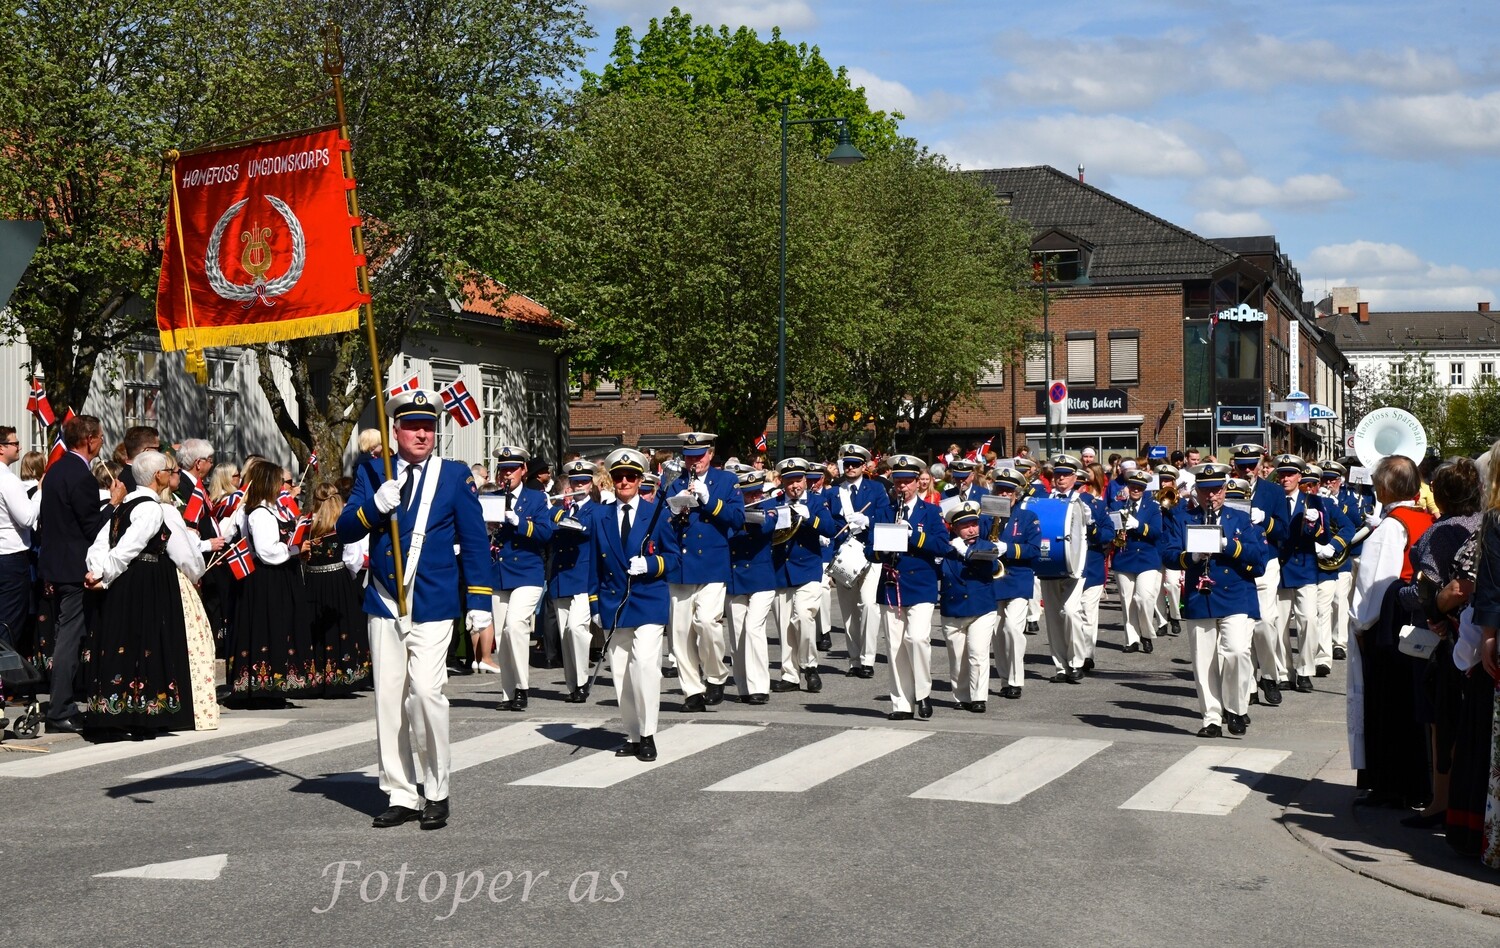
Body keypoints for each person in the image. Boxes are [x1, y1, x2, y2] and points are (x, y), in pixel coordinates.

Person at [337, 388, 493, 830]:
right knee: (388, 701)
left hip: (433, 600)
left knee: (426, 693)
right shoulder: (372, 470)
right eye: (413, 426)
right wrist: (373, 507)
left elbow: (476, 543)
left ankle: (437, 789)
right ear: (396, 430)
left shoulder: (454, 475)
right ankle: (401, 792)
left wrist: (479, 603)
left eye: (429, 426)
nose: (422, 433)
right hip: (385, 600)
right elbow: (345, 528)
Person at [82, 450, 204, 737]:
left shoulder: (123, 505)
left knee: (125, 641)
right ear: (157, 476)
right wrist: (102, 573)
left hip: (125, 580)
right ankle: (136, 714)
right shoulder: (150, 508)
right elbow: (128, 547)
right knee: (141, 642)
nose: (168, 473)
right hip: (140, 582)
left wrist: (98, 570)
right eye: (166, 470)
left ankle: (120, 712)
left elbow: (100, 543)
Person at [581, 447, 679, 761]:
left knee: (646, 667)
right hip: (613, 603)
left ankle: (649, 733)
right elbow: (593, 562)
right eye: (619, 476)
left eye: (631, 477)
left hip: (648, 600)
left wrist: (650, 565)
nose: (624, 482)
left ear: (640, 480)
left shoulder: (657, 513)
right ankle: (634, 734)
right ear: (612, 480)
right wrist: (594, 604)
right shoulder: (601, 515)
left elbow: (674, 559)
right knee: (621, 673)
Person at [1350, 454, 1435, 809]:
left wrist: (1360, 624)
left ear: (1384, 488)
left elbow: (1374, 581)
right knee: (1409, 702)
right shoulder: (1426, 518)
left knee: (1387, 703)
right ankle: (1414, 783)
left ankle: (1391, 784)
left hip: (1388, 617)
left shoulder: (1390, 527)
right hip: (1412, 614)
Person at [1165, 463, 1268, 738]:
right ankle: (1211, 716)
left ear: (1224, 490)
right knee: (1203, 660)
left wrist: (1229, 547)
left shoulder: (1239, 519)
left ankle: (1235, 708)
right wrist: (1191, 557)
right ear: (1197, 491)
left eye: (1217, 490)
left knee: (1236, 651)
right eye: (1206, 491)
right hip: (1201, 594)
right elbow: (1168, 552)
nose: (1212, 497)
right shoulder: (1182, 517)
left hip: (1234, 593)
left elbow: (1258, 558)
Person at [39, 414, 114, 734]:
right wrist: (114, 504)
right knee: (70, 638)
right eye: (99, 437)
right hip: (73, 567)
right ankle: (60, 708)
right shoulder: (80, 476)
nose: (101, 442)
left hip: (56, 563)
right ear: (88, 440)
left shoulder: (55, 470)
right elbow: (90, 526)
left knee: (66, 635)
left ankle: (64, 701)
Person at [224, 459, 320, 704]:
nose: (283, 485)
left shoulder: (270, 509)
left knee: (276, 626)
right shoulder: (259, 513)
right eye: (279, 480)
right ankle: (263, 686)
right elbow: (267, 551)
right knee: (268, 626)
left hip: (277, 576)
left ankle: (273, 683)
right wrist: (294, 549)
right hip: (268, 578)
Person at [665, 432, 745, 711]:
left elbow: (737, 519)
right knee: (680, 633)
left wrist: (710, 502)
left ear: (710, 455)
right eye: (688, 457)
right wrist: (673, 511)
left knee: (707, 622)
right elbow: (660, 524)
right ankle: (692, 692)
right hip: (681, 566)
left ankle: (715, 675)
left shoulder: (726, 481)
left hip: (711, 564)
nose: (693, 462)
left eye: (698, 456)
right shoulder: (673, 482)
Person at [870, 455, 950, 720]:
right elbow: (872, 551)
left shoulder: (930, 511)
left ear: (919, 483)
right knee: (894, 647)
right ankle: (902, 703)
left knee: (916, 639)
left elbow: (942, 546)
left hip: (921, 583)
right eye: (898, 482)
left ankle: (923, 692)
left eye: (907, 482)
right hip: (892, 585)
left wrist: (913, 535)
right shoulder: (884, 510)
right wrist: (881, 544)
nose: (902, 487)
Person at [486, 445, 555, 711]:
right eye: (502, 470)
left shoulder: (535, 499)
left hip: (527, 572)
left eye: (512, 469)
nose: (506, 475)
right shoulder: (492, 497)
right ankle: (507, 692)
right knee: (503, 637)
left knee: (515, 625)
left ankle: (522, 688)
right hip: (500, 573)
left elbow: (546, 534)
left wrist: (519, 523)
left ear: (524, 470)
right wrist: (487, 528)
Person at [1276, 459, 1354, 695]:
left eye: (1292, 475)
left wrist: (1328, 543)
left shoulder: (1318, 502)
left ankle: (1305, 670)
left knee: (1309, 619)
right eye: (1283, 474)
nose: (1286, 479)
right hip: (1281, 568)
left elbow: (1343, 528)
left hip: (1305, 567)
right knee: (1279, 625)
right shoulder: (1275, 500)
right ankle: (1283, 672)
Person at [829, 443, 893, 678]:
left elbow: (887, 517)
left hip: (869, 553)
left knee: (868, 606)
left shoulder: (876, 489)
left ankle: (868, 659)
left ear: (864, 466)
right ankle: (854, 660)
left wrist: (868, 521)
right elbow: (830, 523)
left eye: (855, 464)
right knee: (848, 611)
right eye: (847, 464)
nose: (851, 468)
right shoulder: (835, 492)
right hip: (845, 555)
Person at [302, 483, 371, 696]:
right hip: (338, 580)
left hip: (314, 580)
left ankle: (318, 676)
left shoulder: (307, 524)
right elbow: (353, 559)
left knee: (316, 627)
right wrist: (347, 578)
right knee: (341, 628)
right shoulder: (342, 525)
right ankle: (341, 676)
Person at [726, 470, 777, 704]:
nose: (754, 497)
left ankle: (760, 687)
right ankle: (744, 687)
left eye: (757, 492)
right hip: (736, 576)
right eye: (749, 494)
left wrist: (749, 519)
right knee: (737, 634)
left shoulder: (770, 506)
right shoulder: (731, 511)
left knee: (754, 627)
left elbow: (766, 527)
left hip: (761, 577)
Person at [549, 459, 598, 703]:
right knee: (565, 635)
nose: (580, 485)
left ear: (591, 484)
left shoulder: (596, 510)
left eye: (584, 481)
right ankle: (572, 685)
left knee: (576, 629)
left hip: (583, 578)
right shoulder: (562, 508)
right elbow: (546, 533)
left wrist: (557, 512)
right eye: (575, 481)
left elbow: (584, 529)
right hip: (561, 578)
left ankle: (582, 681)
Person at [1113, 467, 1164, 655]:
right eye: (1133, 485)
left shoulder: (1153, 506)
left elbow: (1157, 532)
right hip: (1124, 556)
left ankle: (1146, 634)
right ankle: (1132, 639)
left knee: (1143, 598)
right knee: (1127, 602)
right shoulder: (1118, 504)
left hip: (1147, 558)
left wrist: (1139, 525)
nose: (1136, 489)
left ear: (1145, 488)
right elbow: (1111, 528)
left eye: (1140, 487)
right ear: (1128, 486)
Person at [0, 425, 39, 647]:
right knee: (9, 622)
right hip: (11, 557)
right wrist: (38, 496)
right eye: (14, 443)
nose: (19, 447)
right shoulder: (8, 480)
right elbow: (26, 518)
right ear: (1, 448)